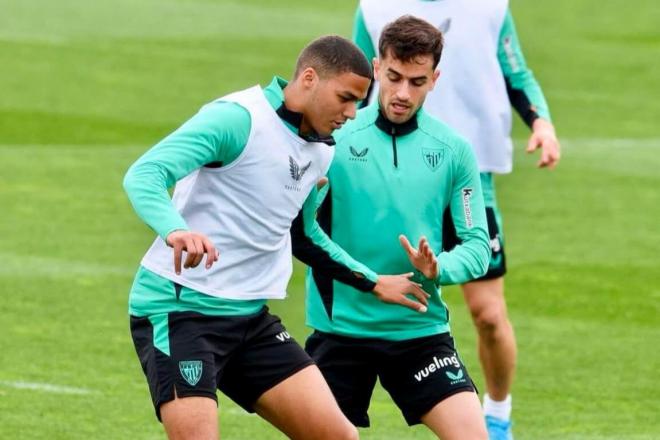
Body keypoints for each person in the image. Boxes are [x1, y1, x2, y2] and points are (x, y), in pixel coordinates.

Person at [123, 35, 430, 440]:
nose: (352, 114)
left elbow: (303, 235)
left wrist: (373, 282)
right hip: (181, 311)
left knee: (340, 437)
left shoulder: (321, 148)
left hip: (250, 320)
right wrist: (176, 229)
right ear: (308, 78)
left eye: (358, 102)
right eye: (345, 98)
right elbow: (144, 175)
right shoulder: (237, 120)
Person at [353, 2, 562, 438]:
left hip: (470, 176)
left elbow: (515, 71)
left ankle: (498, 413)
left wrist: (541, 123)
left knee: (486, 313)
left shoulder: (491, 5)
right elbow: (354, 80)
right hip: (391, 177)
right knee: (373, 298)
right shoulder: (374, 7)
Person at [292, 16, 490, 440]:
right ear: (377, 67)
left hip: (419, 329)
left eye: (417, 81)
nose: (402, 93)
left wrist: (440, 268)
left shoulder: (454, 151)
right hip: (339, 332)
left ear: (435, 79)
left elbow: (477, 246)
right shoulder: (333, 140)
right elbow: (304, 231)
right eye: (394, 77)